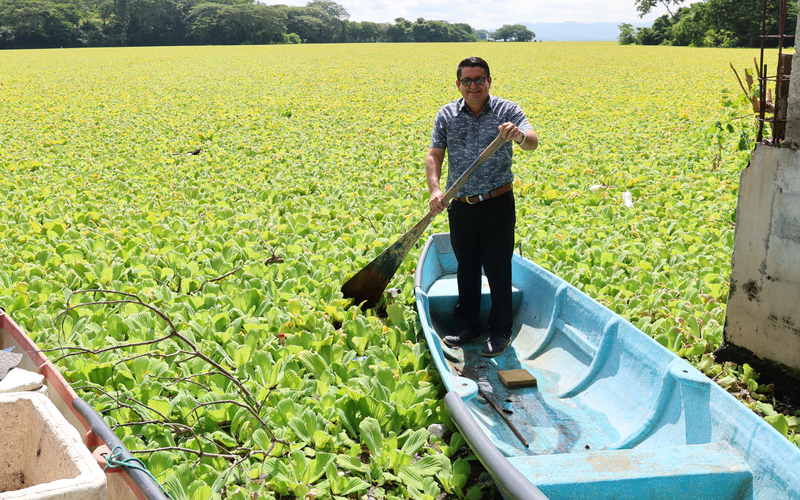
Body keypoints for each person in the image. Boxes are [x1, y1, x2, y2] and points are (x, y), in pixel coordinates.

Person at [426, 56, 538, 357]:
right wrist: (436, 190)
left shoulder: (508, 110)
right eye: (467, 81)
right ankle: (468, 327)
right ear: (459, 84)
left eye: (479, 79)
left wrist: (518, 135)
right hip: (460, 204)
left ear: (489, 81)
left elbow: (532, 141)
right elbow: (434, 155)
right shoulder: (447, 114)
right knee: (467, 266)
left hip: (497, 202)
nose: (473, 85)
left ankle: (501, 331)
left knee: (498, 268)